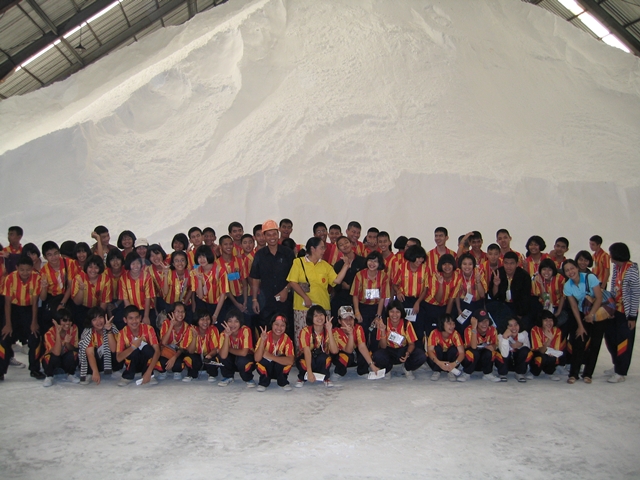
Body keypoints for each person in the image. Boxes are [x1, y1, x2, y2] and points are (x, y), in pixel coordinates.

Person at [287, 237, 350, 352]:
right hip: (303, 307)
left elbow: (336, 281)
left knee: (323, 339)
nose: (324, 250)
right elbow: (292, 282)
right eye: (321, 248)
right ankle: (303, 360)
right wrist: (305, 297)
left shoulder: (325, 265)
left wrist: (346, 265)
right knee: (303, 338)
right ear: (312, 248)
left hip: (322, 307)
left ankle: (323, 360)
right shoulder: (298, 262)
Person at [250, 220, 295, 339]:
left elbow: (295, 276)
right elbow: (255, 278)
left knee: (287, 330)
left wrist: (286, 289)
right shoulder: (259, 255)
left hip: (285, 300)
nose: (272, 237)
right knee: (266, 330)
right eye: (268, 235)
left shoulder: (288, 253)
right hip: (266, 301)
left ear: (278, 234)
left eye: (274, 234)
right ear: (264, 236)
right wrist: (254, 299)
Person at [563, 259, 604, 384]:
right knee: (579, 341)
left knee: (595, 344)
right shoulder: (567, 286)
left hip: (599, 314)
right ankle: (573, 374)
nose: (570, 272)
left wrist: (592, 314)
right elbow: (574, 307)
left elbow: (599, 298)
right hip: (583, 313)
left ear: (577, 268)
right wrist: (580, 326)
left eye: (572, 268)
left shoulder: (590, 278)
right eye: (567, 270)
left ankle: (588, 374)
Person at [2, 256, 44, 379]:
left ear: (32, 268)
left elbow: (35, 303)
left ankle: (34, 369)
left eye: (28, 270)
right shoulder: (10, 278)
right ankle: (1, 371)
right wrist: (8, 324)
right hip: (13, 310)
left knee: (35, 338)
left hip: (29, 310)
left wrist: (34, 322)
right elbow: (7, 304)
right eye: (22, 270)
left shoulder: (37, 278)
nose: (25, 273)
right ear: (17, 268)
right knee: (4, 339)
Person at [605, 242, 639, 383]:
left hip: (627, 313)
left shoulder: (632, 270)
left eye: (611, 253)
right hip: (615, 309)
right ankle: (616, 365)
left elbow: (635, 295)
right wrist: (610, 306)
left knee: (624, 342)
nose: (610, 256)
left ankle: (621, 372)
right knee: (610, 338)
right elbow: (614, 288)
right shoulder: (616, 267)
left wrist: (632, 317)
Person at [371, 300, 426, 379]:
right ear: (388, 312)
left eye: (397, 312)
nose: (394, 315)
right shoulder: (383, 323)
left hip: (402, 351)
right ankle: (387, 369)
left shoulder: (407, 324)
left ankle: (407, 368)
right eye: (392, 312)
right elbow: (383, 347)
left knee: (421, 356)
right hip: (389, 350)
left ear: (401, 313)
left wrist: (407, 353)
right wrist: (383, 331)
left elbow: (412, 344)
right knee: (377, 356)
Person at [351, 251, 390, 347]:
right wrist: (357, 312)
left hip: (377, 308)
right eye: (370, 260)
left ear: (379, 263)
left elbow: (383, 297)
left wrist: (378, 316)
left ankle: (374, 353)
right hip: (362, 307)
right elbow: (355, 295)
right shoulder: (359, 275)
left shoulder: (384, 276)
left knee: (375, 334)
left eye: (375, 261)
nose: (372, 263)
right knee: (362, 333)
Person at [392, 245, 429, 346]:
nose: (420, 260)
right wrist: (398, 292)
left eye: (422, 258)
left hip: (418, 300)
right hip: (404, 300)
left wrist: (418, 302)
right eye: (418, 258)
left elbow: (425, 289)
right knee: (402, 326)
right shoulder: (401, 267)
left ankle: (418, 349)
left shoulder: (425, 269)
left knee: (418, 328)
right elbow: (395, 284)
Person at [115, 305, 160, 386]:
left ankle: (149, 374)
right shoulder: (122, 333)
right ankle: (127, 376)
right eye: (131, 318)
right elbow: (118, 358)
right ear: (125, 320)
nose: (134, 321)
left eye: (136, 318)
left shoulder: (149, 329)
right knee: (134, 351)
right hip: (131, 363)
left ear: (140, 318)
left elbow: (157, 351)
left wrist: (149, 371)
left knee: (147, 348)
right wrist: (133, 347)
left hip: (147, 364)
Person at [294, 305, 339, 387]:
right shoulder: (305, 331)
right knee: (302, 362)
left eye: (321, 314)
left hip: (321, 358)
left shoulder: (329, 330)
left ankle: (325, 377)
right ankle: (302, 377)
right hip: (307, 357)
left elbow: (335, 351)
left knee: (326, 359)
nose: (319, 318)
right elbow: (307, 351)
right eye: (315, 315)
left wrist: (329, 331)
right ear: (311, 318)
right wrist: (309, 372)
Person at [332, 306, 380, 379]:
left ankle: (363, 371)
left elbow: (362, 346)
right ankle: (339, 372)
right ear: (339, 321)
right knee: (343, 357)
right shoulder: (336, 332)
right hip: (345, 353)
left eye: (350, 318)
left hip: (355, 354)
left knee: (368, 352)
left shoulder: (358, 328)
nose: (348, 322)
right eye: (345, 319)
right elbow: (349, 350)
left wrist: (372, 365)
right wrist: (350, 334)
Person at [488, 251, 532, 331]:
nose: (508, 266)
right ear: (503, 263)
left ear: (517, 264)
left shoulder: (524, 276)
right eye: (506, 263)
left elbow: (525, 298)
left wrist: (519, 316)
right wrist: (496, 285)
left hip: (518, 306)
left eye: (512, 263)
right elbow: (493, 296)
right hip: (502, 305)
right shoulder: (498, 273)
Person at [78, 306, 119, 385]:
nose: (98, 321)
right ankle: (90, 372)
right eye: (94, 319)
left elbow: (114, 349)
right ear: (91, 322)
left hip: (107, 359)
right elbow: (90, 354)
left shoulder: (111, 326)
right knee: (89, 352)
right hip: (94, 359)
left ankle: (113, 370)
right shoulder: (88, 332)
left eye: (100, 317)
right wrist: (95, 371)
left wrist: (109, 331)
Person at [254, 314, 295, 391]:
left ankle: (283, 382)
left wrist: (271, 356)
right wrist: (262, 340)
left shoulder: (287, 339)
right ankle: (263, 382)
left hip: (278, 369)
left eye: (282, 325)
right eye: (276, 324)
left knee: (284, 360)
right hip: (267, 368)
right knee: (262, 361)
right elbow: (257, 358)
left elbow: (290, 361)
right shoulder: (265, 336)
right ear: (272, 324)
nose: (279, 328)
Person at [71, 254, 112, 332]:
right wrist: (81, 290)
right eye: (90, 267)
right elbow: (76, 302)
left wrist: (98, 318)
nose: (93, 270)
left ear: (100, 269)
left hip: (98, 309)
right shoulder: (78, 278)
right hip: (82, 308)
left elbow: (104, 302)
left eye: (96, 267)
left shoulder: (106, 279)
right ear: (86, 267)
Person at [458, 310, 501, 382]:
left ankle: (488, 373)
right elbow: (473, 347)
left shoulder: (492, 329)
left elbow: (495, 344)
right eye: (481, 321)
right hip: (471, 360)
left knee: (489, 352)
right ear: (476, 322)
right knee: (474, 352)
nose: (484, 324)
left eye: (486, 321)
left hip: (483, 361)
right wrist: (474, 328)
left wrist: (493, 347)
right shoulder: (469, 329)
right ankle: (466, 373)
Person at [39, 241, 73, 331]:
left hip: (68, 296)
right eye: (49, 255)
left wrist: (62, 303)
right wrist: (43, 287)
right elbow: (43, 298)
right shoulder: (43, 271)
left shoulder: (69, 263)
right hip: (52, 298)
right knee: (47, 318)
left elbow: (70, 286)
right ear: (45, 257)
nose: (54, 257)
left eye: (55, 253)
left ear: (59, 253)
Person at [215, 236, 249, 326]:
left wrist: (245, 302)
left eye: (230, 244)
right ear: (220, 246)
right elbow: (224, 289)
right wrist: (236, 304)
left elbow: (245, 283)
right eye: (225, 244)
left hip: (241, 298)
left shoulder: (239, 261)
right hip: (226, 300)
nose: (229, 246)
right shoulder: (217, 264)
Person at [330, 236, 367, 320]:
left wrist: (350, 287)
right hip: (343, 300)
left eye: (346, 242)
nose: (345, 245)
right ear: (339, 249)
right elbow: (335, 285)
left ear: (351, 244)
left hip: (360, 300)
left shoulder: (363, 262)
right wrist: (342, 285)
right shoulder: (338, 265)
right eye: (341, 245)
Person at [450, 253, 487, 334]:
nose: (467, 267)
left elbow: (482, 295)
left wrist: (478, 282)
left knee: (477, 327)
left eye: (470, 264)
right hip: (462, 304)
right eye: (464, 264)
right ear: (460, 264)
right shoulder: (457, 273)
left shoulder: (478, 272)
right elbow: (456, 293)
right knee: (462, 326)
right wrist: (459, 309)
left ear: (473, 265)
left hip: (477, 304)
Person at [41, 308, 79, 387]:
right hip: (53, 360)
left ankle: (71, 374)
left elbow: (74, 348)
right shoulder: (49, 333)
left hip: (65, 359)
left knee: (73, 354)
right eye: (64, 320)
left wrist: (67, 343)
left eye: (70, 320)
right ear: (58, 321)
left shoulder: (74, 328)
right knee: (52, 357)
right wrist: (58, 334)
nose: (68, 323)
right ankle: (49, 376)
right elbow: (56, 353)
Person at [218, 309, 255, 387]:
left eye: (236, 321)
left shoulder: (245, 330)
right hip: (233, 359)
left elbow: (244, 353)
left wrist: (228, 349)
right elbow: (223, 356)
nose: (233, 324)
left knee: (242, 360)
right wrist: (227, 336)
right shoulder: (223, 334)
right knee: (221, 354)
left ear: (240, 322)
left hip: (247, 358)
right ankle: (228, 376)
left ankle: (248, 378)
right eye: (230, 321)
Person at [424, 254, 459, 338]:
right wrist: (440, 284)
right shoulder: (435, 276)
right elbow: (438, 299)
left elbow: (451, 299)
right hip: (431, 305)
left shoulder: (457, 277)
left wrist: (446, 319)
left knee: (448, 323)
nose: (447, 267)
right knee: (433, 329)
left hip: (446, 305)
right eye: (444, 264)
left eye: (449, 264)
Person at [190, 246, 227, 324]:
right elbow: (200, 296)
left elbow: (223, 294)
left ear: (209, 256)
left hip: (219, 304)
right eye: (199, 257)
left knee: (219, 327)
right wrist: (199, 280)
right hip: (203, 304)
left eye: (204, 256)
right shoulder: (194, 272)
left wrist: (215, 315)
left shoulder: (220, 271)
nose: (202, 259)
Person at [157, 302, 194, 380]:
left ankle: (177, 370)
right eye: (177, 311)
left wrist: (174, 358)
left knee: (178, 365)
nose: (180, 314)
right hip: (166, 350)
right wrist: (171, 326)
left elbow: (183, 348)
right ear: (172, 313)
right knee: (161, 363)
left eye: (182, 311)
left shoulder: (187, 327)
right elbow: (164, 342)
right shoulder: (166, 323)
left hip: (179, 352)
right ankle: (164, 371)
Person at [119, 252, 155, 328]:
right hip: (130, 310)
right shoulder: (123, 278)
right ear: (129, 264)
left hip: (146, 310)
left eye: (138, 263)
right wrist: (132, 317)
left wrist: (146, 316)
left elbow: (148, 297)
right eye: (133, 264)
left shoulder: (147, 277)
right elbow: (125, 299)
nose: (136, 266)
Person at [183, 309, 220, 382]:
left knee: (213, 359)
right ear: (197, 320)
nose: (205, 322)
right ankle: (191, 374)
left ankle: (211, 374)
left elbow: (215, 348)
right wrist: (194, 337)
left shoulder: (213, 329)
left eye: (207, 319)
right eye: (202, 319)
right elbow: (190, 351)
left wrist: (209, 355)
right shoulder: (191, 329)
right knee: (190, 358)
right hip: (196, 355)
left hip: (209, 355)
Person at [426, 313, 465, 382]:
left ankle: (450, 370)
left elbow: (462, 353)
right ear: (442, 324)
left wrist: (454, 364)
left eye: (453, 323)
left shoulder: (455, 334)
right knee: (437, 348)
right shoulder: (434, 333)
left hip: (450, 360)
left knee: (454, 349)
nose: (452, 326)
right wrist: (439, 363)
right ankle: (437, 370)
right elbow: (430, 351)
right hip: (437, 360)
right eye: (449, 323)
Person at [530, 310, 566, 381]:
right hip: (538, 352)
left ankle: (549, 373)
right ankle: (533, 372)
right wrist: (549, 340)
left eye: (550, 320)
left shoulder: (557, 331)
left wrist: (553, 352)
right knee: (541, 357)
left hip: (550, 352)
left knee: (553, 358)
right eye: (546, 320)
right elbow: (540, 350)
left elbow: (556, 349)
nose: (549, 323)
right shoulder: (535, 329)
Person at [497, 318, 532, 382]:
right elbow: (504, 354)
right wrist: (505, 338)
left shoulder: (524, 333)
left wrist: (521, 344)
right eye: (510, 325)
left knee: (525, 350)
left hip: (517, 361)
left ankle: (519, 373)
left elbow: (528, 348)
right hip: (507, 360)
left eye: (516, 325)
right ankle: (503, 373)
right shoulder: (500, 336)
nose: (514, 328)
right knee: (499, 352)